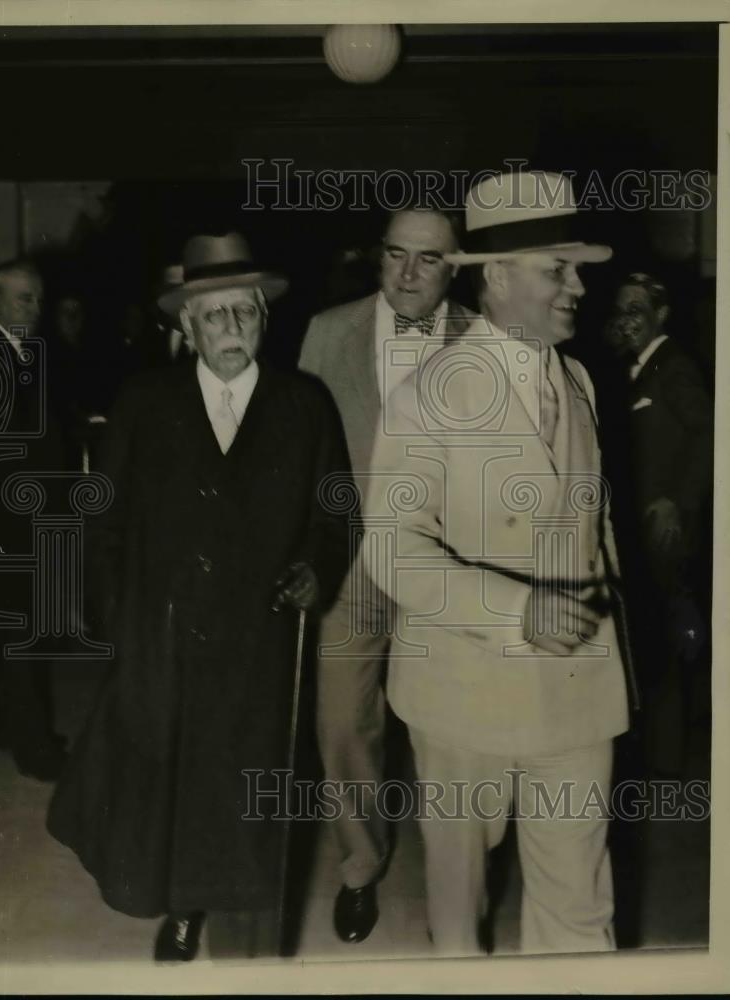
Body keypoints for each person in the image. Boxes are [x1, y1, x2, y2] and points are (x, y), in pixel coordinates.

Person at [46, 233, 351, 962]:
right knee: (176, 788)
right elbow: (103, 517)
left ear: (264, 321)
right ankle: (183, 906)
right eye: (212, 318)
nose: (231, 332)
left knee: (248, 792)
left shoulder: (304, 404)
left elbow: (333, 512)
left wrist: (317, 564)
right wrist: (119, 618)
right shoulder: (145, 402)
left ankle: (245, 948)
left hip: (260, 641)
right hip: (166, 639)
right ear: (185, 328)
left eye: (243, 315)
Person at [363, 171, 634, 955]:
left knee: (581, 908)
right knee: (460, 917)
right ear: (499, 274)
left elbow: (596, 528)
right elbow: (391, 543)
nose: (579, 287)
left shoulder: (579, 380)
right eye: (560, 269)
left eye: (578, 270)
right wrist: (514, 610)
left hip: (576, 688)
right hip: (464, 691)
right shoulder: (431, 392)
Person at [299, 208, 475, 943]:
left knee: (450, 729)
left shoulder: (488, 338)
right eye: (395, 256)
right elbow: (302, 449)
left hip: (450, 566)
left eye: (427, 260)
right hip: (353, 562)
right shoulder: (326, 331)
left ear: (456, 265)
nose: (406, 274)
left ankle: (457, 888)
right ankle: (360, 867)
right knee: (344, 723)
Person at [605, 272, 713, 776]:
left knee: (666, 646)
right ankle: (653, 752)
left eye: (638, 307)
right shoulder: (634, 371)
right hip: (641, 534)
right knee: (652, 641)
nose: (627, 317)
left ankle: (666, 764)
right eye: (621, 307)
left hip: (666, 534)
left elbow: (712, 431)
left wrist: (677, 500)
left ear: (661, 314)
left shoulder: (674, 368)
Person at [0, 258, 68, 781]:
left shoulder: (17, 352)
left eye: (38, 299)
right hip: (5, 522)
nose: (35, 309)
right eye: (24, 299)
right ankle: (36, 750)